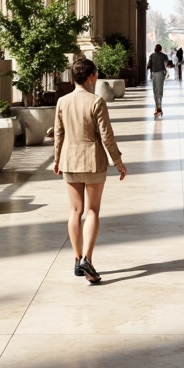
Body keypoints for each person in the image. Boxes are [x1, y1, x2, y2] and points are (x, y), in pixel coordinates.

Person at [53, 56, 127, 285]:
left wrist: (56, 159)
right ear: (91, 76)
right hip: (93, 161)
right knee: (92, 211)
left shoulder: (62, 102)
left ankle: (77, 259)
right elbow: (106, 135)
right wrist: (118, 161)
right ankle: (87, 258)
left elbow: (58, 134)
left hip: (70, 160)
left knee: (75, 211)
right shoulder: (96, 102)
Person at [146, 43, 169, 116]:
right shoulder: (164, 56)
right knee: (160, 90)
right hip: (161, 73)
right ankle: (159, 106)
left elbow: (148, 65)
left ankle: (157, 107)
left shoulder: (152, 56)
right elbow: (168, 64)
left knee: (155, 90)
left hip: (154, 74)